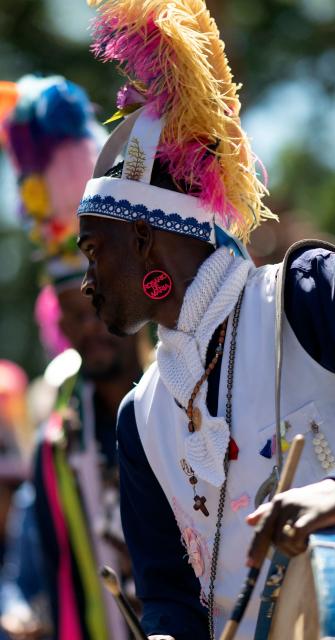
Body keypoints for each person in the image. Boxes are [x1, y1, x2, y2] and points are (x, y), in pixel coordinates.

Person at [76, 2, 335, 638]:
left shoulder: (306, 292)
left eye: (96, 251)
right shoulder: (141, 420)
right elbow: (170, 601)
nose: (87, 281)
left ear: (147, 240)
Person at [0, 76, 146, 640]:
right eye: (71, 316)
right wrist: (15, 608)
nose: (89, 327)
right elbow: (28, 566)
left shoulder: (187, 392)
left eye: (93, 304)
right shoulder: (57, 440)